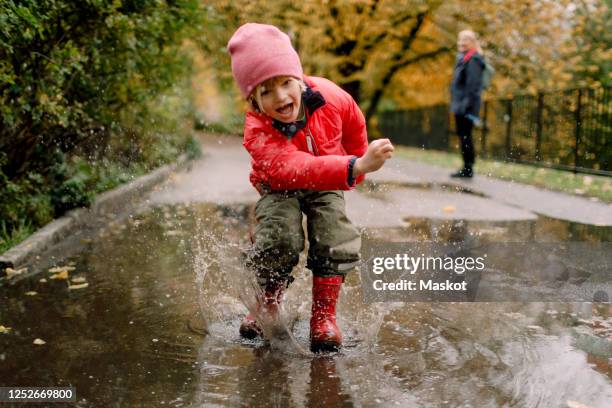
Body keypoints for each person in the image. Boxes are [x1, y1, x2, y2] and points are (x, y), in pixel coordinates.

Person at [227, 23, 394, 352]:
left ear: (299, 78)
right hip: (279, 185)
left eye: (286, 83)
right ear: (254, 100)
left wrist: (357, 162)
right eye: (266, 91)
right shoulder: (257, 128)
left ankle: (324, 316)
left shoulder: (332, 98)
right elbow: (292, 167)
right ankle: (267, 303)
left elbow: (354, 125)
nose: (280, 97)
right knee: (280, 236)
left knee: (335, 233)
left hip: (329, 176)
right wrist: (353, 167)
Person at [450, 29, 485, 178]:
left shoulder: (473, 60)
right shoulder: (464, 58)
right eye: (460, 39)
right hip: (461, 105)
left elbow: (473, 86)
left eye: (465, 40)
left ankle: (468, 168)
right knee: (463, 135)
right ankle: (467, 166)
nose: (462, 43)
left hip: (466, 107)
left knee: (465, 136)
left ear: (472, 42)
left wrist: (465, 106)